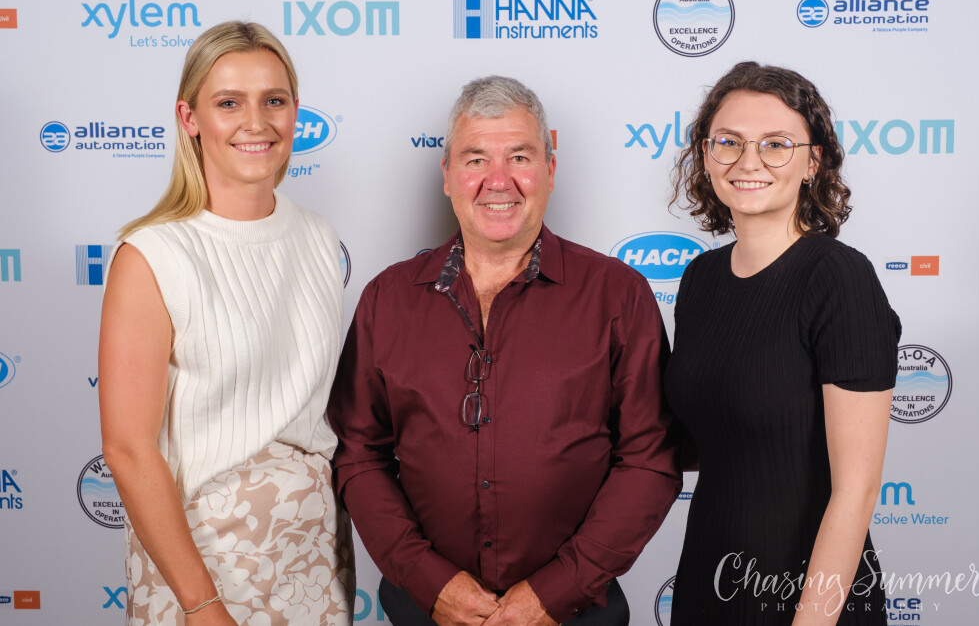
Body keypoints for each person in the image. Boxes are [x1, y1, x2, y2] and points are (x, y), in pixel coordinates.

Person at [328, 76, 681, 626]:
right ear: (447, 175)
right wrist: (428, 580)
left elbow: (650, 460)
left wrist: (554, 592)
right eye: (475, 160)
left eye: (519, 157)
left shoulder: (618, 295)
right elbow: (359, 454)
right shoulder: (387, 299)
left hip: (575, 614)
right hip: (425, 611)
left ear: (550, 171)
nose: (499, 181)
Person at [98, 21, 353, 626]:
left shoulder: (318, 237)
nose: (256, 122)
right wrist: (202, 604)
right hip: (200, 561)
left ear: (295, 111)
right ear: (189, 117)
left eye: (274, 100)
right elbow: (128, 449)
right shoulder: (153, 256)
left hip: (313, 555)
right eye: (229, 103)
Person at [665, 61, 901, 625]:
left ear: (812, 160)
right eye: (729, 142)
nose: (749, 162)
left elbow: (856, 491)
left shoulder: (839, 278)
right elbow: (709, 437)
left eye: (775, 144)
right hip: (708, 584)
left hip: (807, 599)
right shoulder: (700, 280)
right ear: (705, 155)